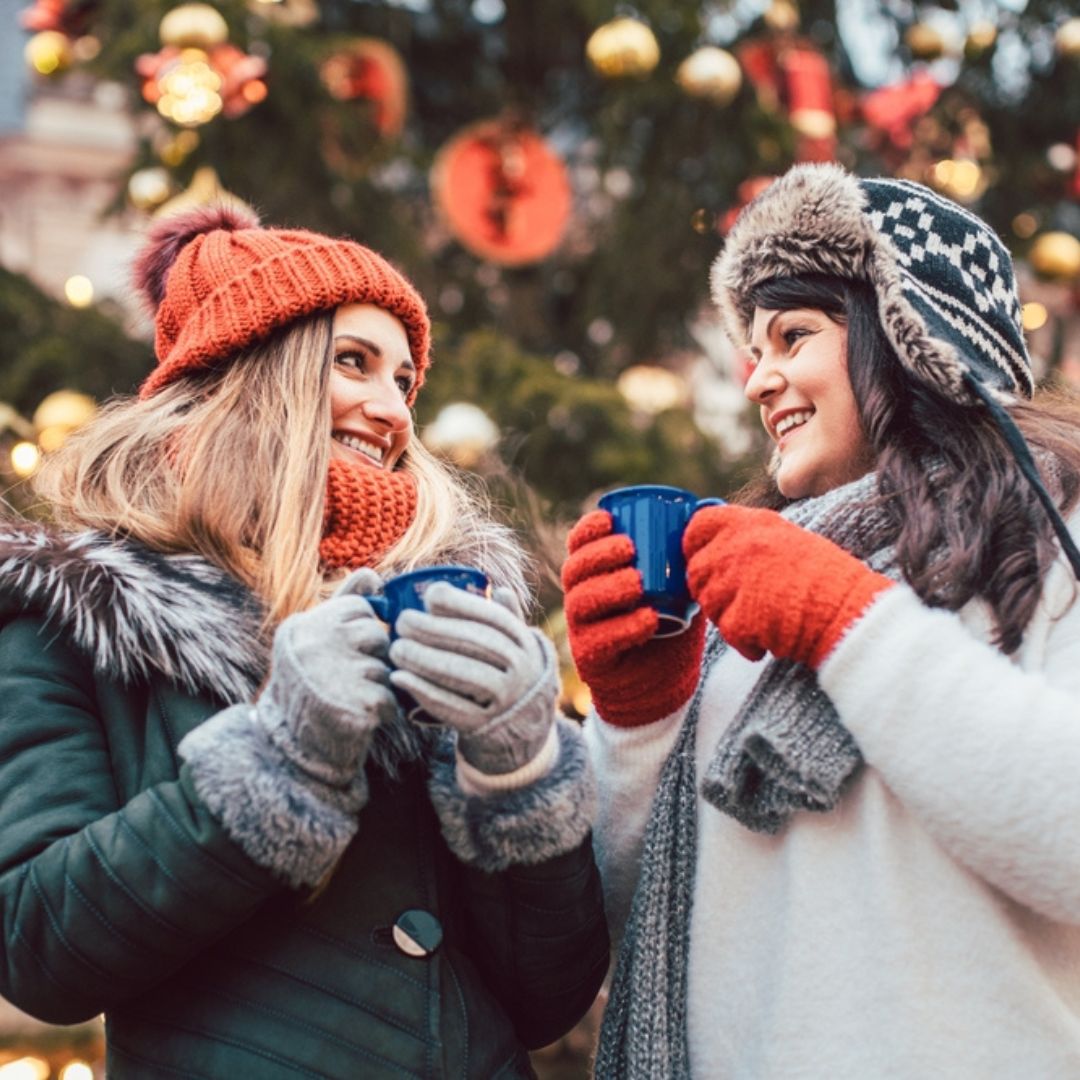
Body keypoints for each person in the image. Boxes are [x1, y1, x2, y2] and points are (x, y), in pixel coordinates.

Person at [0, 203, 607, 1079]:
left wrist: (517, 768)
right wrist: (278, 758)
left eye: (404, 380)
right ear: (249, 375)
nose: (390, 407)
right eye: (352, 362)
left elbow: (547, 999)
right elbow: (37, 949)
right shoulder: (84, 617)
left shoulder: (448, 614)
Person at [562, 162, 1080, 1079]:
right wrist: (637, 723)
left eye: (793, 335)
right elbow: (643, 928)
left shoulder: (1051, 540)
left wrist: (849, 624)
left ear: (913, 340)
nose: (761, 379)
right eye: (752, 350)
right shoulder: (742, 601)